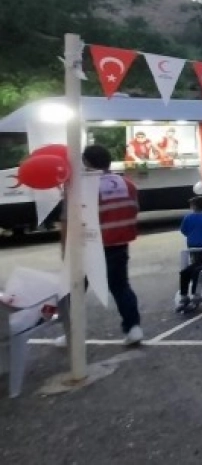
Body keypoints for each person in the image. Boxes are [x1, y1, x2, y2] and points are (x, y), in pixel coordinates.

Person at [60, 145, 143, 345]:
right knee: (121, 286)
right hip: (119, 243)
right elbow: (134, 209)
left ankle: (72, 333)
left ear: (87, 162)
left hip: (91, 245)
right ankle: (134, 328)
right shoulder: (127, 183)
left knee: (75, 288)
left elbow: (74, 218)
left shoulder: (85, 186)